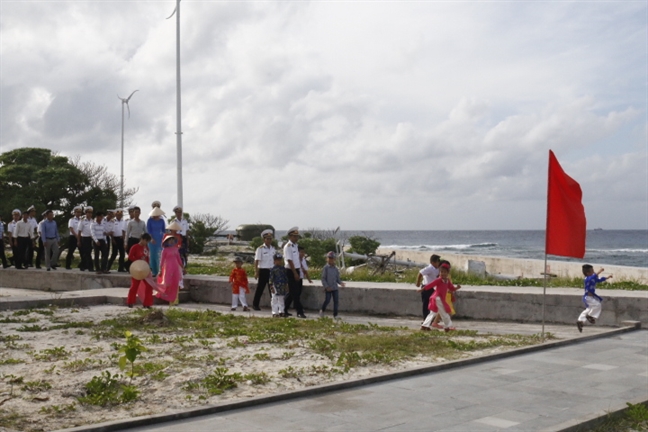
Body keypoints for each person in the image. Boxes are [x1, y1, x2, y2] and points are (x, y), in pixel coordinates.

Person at [419, 262, 461, 332]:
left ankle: (425, 325)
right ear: (439, 272)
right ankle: (448, 326)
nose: (443, 273)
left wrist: (457, 288)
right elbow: (431, 285)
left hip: (439, 299)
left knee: (433, 313)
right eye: (441, 272)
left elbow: (452, 288)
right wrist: (423, 289)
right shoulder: (439, 280)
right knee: (444, 312)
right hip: (437, 298)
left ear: (448, 273)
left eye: (445, 272)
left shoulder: (447, 281)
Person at [577, 265, 612, 333]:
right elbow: (593, 277)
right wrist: (600, 271)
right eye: (592, 271)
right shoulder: (587, 279)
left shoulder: (593, 278)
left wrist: (607, 277)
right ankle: (591, 316)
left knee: (589, 309)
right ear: (587, 273)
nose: (593, 272)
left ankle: (580, 321)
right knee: (597, 305)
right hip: (587, 297)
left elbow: (599, 280)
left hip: (591, 297)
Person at [154, 234, 185, 305]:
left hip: (175, 268)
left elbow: (179, 259)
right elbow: (161, 261)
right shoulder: (164, 250)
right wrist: (160, 270)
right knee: (168, 282)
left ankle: (174, 300)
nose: (171, 241)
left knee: (175, 283)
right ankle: (167, 297)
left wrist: (183, 268)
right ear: (166, 241)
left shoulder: (176, 249)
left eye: (172, 240)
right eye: (170, 240)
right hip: (168, 268)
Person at [126, 233, 154, 308]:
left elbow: (147, 258)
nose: (146, 242)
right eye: (146, 241)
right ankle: (130, 302)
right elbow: (130, 257)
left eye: (147, 241)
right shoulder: (135, 247)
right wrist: (138, 260)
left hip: (145, 268)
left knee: (149, 285)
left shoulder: (146, 248)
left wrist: (148, 266)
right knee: (134, 286)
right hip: (137, 269)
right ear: (142, 239)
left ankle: (147, 303)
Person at [283, 227, 306, 318]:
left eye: (297, 236)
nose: (296, 238)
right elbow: (290, 260)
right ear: (290, 237)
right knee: (295, 293)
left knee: (294, 292)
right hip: (290, 270)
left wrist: (298, 271)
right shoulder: (288, 246)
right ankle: (299, 311)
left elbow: (296, 260)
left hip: (296, 269)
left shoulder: (295, 246)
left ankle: (283, 309)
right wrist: (295, 273)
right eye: (294, 236)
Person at [253, 229, 275, 310]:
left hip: (271, 271)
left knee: (272, 289)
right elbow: (256, 261)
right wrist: (256, 271)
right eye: (267, 239)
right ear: (264, 239)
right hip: (263, 270)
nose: (269, 240)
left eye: (270, 239)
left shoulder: (273, 249)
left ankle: (274, 306)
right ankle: (255, 304)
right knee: (260, 288)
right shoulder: (260, 249)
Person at [319, 251, 346, 319]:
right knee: (327, 300)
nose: (331, 260)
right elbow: (323, 278)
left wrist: (341, 283)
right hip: (328, 288)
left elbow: (337, 278)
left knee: (336, 301)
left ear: (334, 259)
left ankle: (335, 314)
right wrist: (326, 286)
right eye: (329, 258)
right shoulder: (326, 268)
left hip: (335, 288)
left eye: (332, 258)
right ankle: (322, 310)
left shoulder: (335, 269)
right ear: (327, 259)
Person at [415, 254, 441, 319]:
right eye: (438, 261)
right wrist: (418, 282)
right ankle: (425, 319)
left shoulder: (437, 269)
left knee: (432, 304)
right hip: (426, 287)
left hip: (432, 288)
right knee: (426, 304)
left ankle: (430, 319)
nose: (439, 263)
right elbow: (420, 273)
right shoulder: (429, 268)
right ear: (433, 262)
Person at [146, 206, 166, 277]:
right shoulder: (150, 220)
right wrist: (151, 238)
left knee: (159, 254)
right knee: (152, 255)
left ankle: (160, 270)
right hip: (152, 239)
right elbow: (148, 230)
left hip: (160, 238)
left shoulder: (162, 220)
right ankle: (154, 271)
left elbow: (164, 230)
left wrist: (165, 238)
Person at [269, 253, 288, 317]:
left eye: (280, 260)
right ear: (274, 261)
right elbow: (271, 278)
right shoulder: (273, 269)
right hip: (275, 285)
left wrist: (286, 285)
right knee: (274, 299)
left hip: (282, 285)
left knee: (281, 299)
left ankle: (281, 311)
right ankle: (275, 312)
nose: (279, 261)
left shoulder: (283, 269)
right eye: (277, 260)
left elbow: (285, 277)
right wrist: (271, 286)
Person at [77, 206, 95, 272]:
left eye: (91, 213)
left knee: (88, 253)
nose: (90, 214)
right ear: (86, 213)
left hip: (91, 238)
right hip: (84, 238)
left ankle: (82, 265)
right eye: (88, 212)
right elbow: (79, 231)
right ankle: (90, 267)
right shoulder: (82, 221)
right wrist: (78, 241)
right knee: (86, 253)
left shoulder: (93, 221)